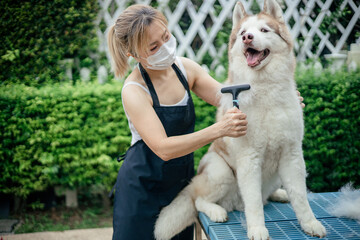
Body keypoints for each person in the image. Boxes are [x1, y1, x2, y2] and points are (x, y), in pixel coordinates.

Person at [107, 4, 304, 240]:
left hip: (180, 182)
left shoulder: (185, 69)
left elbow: (231, 96)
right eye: (153, 47)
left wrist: (281, 100)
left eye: (166, 36)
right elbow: (163, 148)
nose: (165, 47)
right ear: (133, 54)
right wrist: (219, 129)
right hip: (141, 189)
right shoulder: (134, 90)